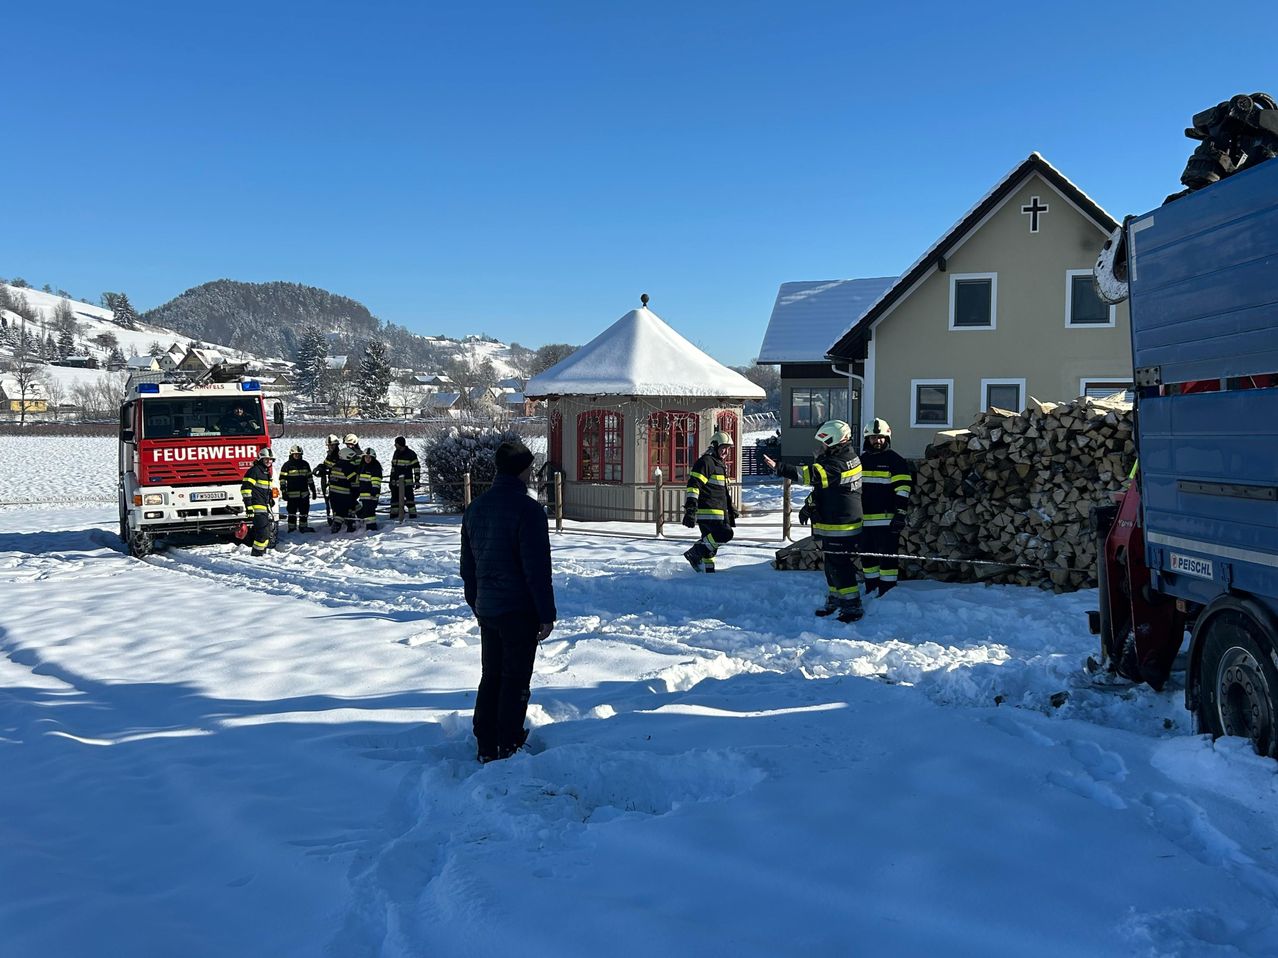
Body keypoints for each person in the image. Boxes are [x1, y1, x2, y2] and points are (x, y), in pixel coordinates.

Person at [461, 440, 556, 763]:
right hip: (518, 609)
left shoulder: (476, 508)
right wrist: (546, 614)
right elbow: (537, 569)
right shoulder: (528, 511)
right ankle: (508, 741)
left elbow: (468, 566)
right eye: (530, 468)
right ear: (523, 470)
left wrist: (476, 602)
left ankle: (485, 741)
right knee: (515, 678)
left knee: (492, 674)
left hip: (488, 607)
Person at [763, 419, 865, 622]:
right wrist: (810, 506)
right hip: (837, 521)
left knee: (840, 565)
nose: (822, 448)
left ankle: (852, 605)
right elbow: (823, 490)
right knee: (832, 564)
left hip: (841, 524)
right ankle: (836, 598)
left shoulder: (838, 463)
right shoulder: (846, 456)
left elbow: (809, 476)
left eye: (825, 444)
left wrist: (779, 467)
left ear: (835, 441)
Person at [858, 418, 913, 598]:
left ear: (887, 438)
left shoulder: (895, 460)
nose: (877, 441)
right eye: (874, 437)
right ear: (867, 438)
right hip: (864, 521)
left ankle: (888, 591)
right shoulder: (860, 460)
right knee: (867, 558)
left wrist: (900, 514)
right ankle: (871, 587)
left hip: (887, 521)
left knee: (888, 557)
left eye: (881, 437)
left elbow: (903, 489)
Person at [681, 430, 738, 573]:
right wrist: (691, 509)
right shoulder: (706, 462)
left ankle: (708, 572)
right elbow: (694, 486)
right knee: (725, 534)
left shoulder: (719, 465)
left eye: (728, 449)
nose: (725, 452)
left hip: (718, 512)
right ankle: (695, 552)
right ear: (714, 446)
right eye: (723, 448)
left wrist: (731, 509)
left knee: (711, 544)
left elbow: (722, 493)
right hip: (708, 512)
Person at [240, 447, 276, 557]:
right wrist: (249, 507)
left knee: (266, 534)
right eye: (266, 459)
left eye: (271, 460)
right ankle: (256, 555)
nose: (269, 462)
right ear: (260, 459)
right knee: (262, 534)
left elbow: (263, 490)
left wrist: (270, 499)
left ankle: (260, 554)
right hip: (256, 508)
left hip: (264, 507)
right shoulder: (254, 471)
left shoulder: (265, 472)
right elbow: (245, 489)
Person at [279, 445, 319, 533]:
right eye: (295, 454)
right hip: (292, 494)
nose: (297, 456)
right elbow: (282, 479)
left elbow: (309, 478)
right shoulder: (287, 465)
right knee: (292, 512)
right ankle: (291, 528)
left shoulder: (305, 464)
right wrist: (283, 491)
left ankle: (303, 527)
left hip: (304, 493)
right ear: (291, 454)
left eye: (299, 454)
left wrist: (313, 490)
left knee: (304, 512)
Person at [327, 446, 361, 533]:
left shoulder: (335, 466)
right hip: (345, 494)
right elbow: (354, 479)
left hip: (333, 495)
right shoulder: (347, 466)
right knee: (354, 508)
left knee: (340, 512)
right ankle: (352, 526)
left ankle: (336, 526)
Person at [388, 436, 421, 519]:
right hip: (395, 482)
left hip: (407, 482)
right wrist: (391, 480)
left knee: (410, 499)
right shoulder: (396, 453)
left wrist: (417, 480)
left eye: (396, 443)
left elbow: (416, 467)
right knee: (395, 499)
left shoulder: (411, 454)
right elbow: (393, 468)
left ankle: (413, 515)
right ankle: (394, 514)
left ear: (400, 444)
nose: (395, 445)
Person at [312, 434, 341, 525]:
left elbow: (336, 468)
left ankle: (337, 521)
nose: (330, 447)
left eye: (332, 445)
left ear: (336, 445)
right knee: (330, 502)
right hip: (330, 482)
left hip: (338, 483)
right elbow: (326, 464)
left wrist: (326, 471)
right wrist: (320, 467)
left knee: (336, 503)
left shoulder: (339, 455)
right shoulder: (329, 455)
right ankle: (332, 520)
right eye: (329, 445)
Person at [357, 446, 383, 531]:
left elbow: (376, 480)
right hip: (364, 494)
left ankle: (371, 528)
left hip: (372, 494)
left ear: (373, 458)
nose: (367, 459)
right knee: (366, 511)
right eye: (366, 457)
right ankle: (369, 528)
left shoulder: (375, 466)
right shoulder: (362, 466)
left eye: (369, 457)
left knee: (370, 512)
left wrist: (374, 490)